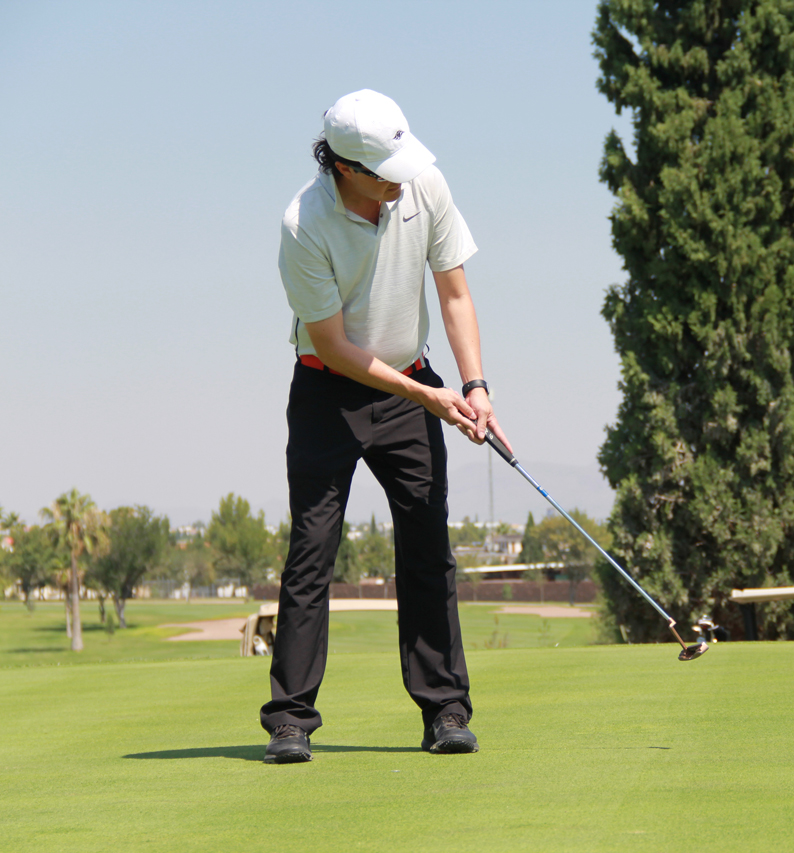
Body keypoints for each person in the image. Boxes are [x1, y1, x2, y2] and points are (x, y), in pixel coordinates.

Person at [261, 89, 510, 760]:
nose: (400, 179)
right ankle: (290, 718)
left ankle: (445, 711)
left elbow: (454, 294)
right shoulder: (303, 223)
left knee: (428, 546)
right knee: (312, 551)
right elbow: (335, 345)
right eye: (384, 172)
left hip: (410, 381)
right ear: (345, 167)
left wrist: (475, 386)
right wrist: (424, 395)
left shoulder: (423, 184)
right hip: (328, 391)